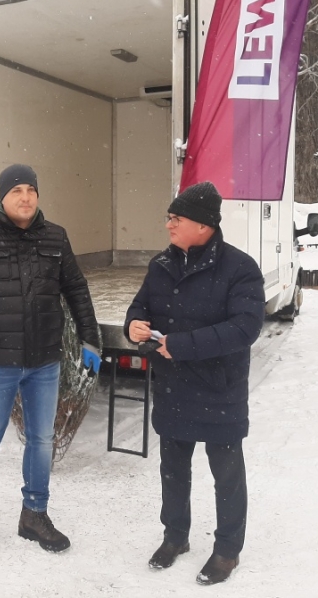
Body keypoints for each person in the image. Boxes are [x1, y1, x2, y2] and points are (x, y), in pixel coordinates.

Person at [0, 163, 102, 555]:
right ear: (2, 196)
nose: (25, 197)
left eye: (31, 190)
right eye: (17, 191)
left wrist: (91, 339)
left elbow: (77, 289)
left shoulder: (55, 236)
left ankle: (34, 515)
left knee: (41, 440)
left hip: (45, 361)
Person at [124, 181, 265, 586]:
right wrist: (134, 324)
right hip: (173, 385)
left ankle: (227, 550)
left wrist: (182, 345)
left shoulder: (240, 268)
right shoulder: (161, 265)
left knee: (227, 475)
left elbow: (245, 328)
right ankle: (175, 537)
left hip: (219, 387)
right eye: (169, 217)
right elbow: (141, 305)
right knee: (173, 470)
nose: (168, 224)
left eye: (176, 218)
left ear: (203, 225)